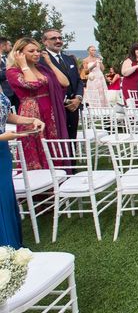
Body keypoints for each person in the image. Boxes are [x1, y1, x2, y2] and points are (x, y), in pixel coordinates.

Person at [6, 38, 69, 169]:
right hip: (32, 111)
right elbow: (32, 84)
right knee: (36, 144)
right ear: (19, 53)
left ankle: (56, 177)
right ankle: (39, 182)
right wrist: (23, 65)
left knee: (52, 143)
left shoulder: (42, 68)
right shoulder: (13, 71)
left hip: (50, 109)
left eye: (38, 50)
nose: (37, 53)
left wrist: (50, 64)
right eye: (31, 51)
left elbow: (65, 83)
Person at [0, 91, 45, 248]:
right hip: (2, 140)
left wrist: (31, 120)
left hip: (2, 151)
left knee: (6, 196)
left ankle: (11, 245)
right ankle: (6, 247)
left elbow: (7, 114)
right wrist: (6, 136)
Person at [41, 29, 84, 139]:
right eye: (53, 38)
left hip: (74, 106)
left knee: (72, 137)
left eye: (60, 38)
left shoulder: (69, 59)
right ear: (44, 42)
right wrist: (67, 101)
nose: (58, 41)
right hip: (55, 106)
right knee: (59, 140)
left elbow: (78, 80)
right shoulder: (41, 61)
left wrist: (78, 98)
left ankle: (73, 156)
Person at [0, 37, 19, 110]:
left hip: (14, 92)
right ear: (3, 46)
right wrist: (10, 71)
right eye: (9, 45)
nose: (11, 48)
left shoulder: (6, 58)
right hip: (4, 93)